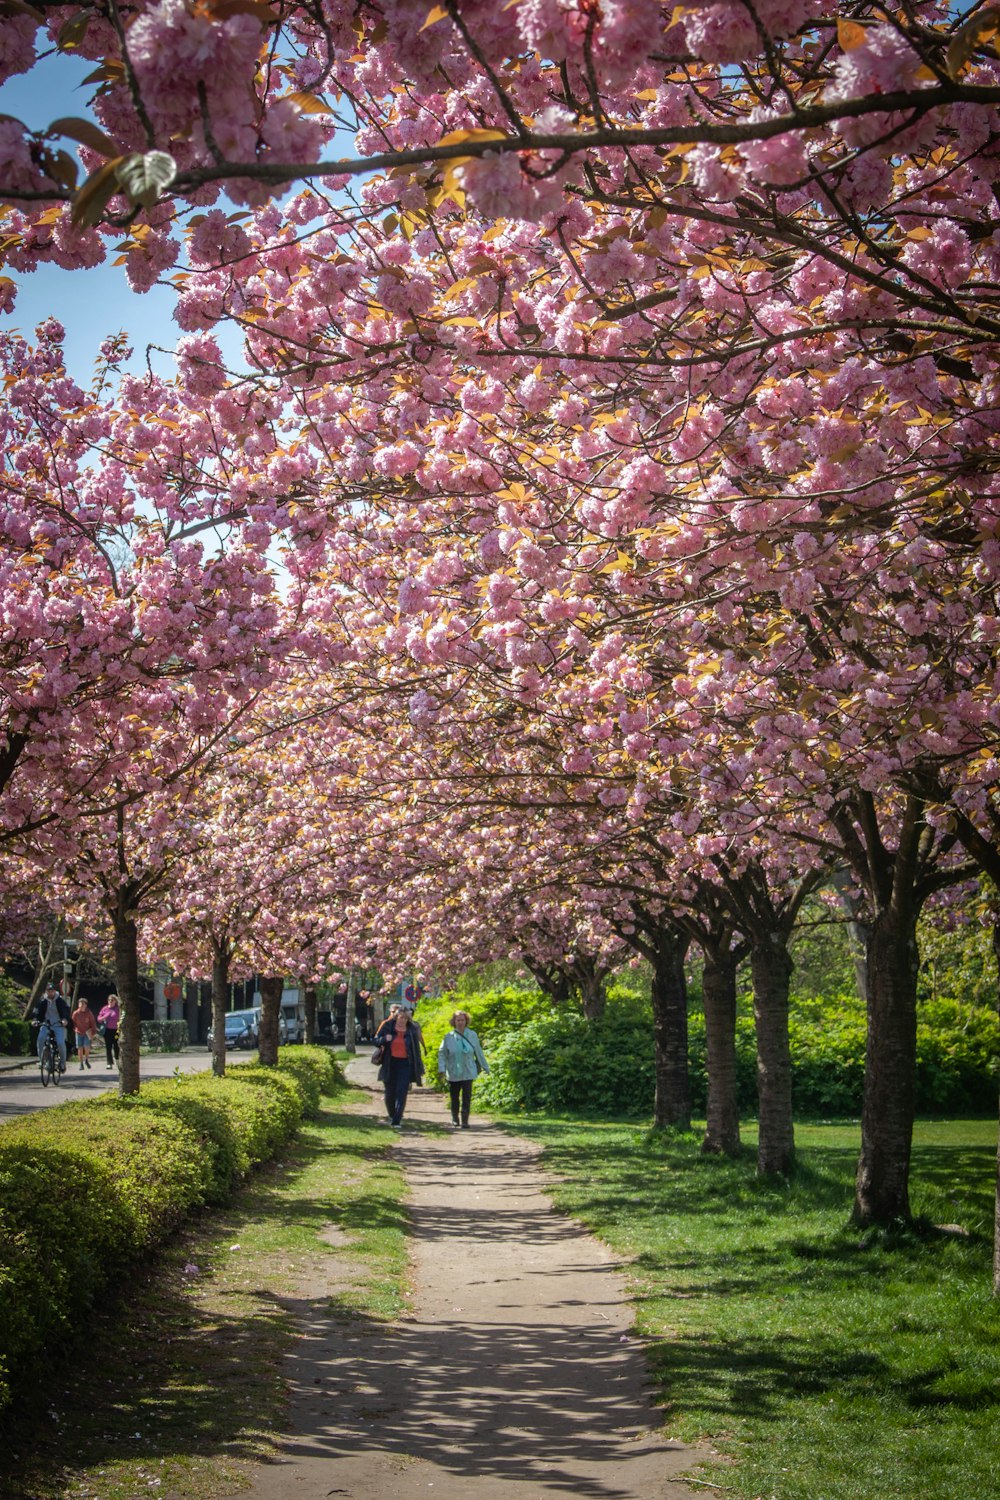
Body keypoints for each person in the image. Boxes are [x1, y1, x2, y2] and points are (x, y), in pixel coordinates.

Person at [373, 1000, 425, 1128]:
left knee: (402, 1091)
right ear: (396, 1017)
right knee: (390, 1092)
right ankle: (392, 1114)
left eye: (405, 1018)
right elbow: (375, 1040)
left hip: (405, 1064)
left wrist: (418, 1066)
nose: (403, 1020)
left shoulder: (412, 1029)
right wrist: (385, 1039)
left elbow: (415, 1049)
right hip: (390, 1063)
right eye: (401, 1017)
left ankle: (397, 1119)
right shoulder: (387, 1026)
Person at [437, 1011, 489, 1129]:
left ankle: (465, 1120)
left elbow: (478, 1052)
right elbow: (442, 1053)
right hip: (453, 1071)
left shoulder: (472, 1035)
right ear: (454, 1022)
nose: (460, 1022)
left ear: (466, 1021)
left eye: (462, 1020)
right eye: (458, 1020)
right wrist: (441, 1068)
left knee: (467, 1096)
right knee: (454, 1096)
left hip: (468, 1070)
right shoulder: (448, 1037)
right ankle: (455, 1119)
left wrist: (485, 1066)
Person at [33, 984, 70, 1073]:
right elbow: (36, 1011)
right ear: (46, 991)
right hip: (46, 1024)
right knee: (40, 1039)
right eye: (48, 991)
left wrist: (64, 1020)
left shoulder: (60, 1000)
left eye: (51, 991)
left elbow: (66, 1011)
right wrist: (35, 1020)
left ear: (54, 991)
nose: (50, 992)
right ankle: (42, 1060)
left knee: (61, 1043)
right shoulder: (42, 1000)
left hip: (58, 1024)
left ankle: (62, 1063)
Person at [71, 997, 99, 1070]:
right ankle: (81, 1063)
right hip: (79, 1032)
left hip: (87, 1032)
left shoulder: (89, 1013)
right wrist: (75, 1029)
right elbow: (72, 1023)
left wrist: (93, 1032)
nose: (81, 1005)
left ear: (86, 1005)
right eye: (80, 1003)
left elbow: (93, 1022)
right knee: (80, 1048)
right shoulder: (76, 1013)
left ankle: (86, 1059)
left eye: (83, 1004)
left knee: (87, 1047)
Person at [97, 994, 121, 1069]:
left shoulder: (118, 1009)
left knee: (116, 1046)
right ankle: (109, 1063)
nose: (110, 1001)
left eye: (112, 1000)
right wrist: (104, 1017)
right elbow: (99, 1018)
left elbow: (121, 1018)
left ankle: (117, 1059)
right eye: (109, 1000)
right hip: (107, 1030)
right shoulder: (104, 1009)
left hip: (116, 1031)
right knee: (108, 1047)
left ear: (115, 1001)